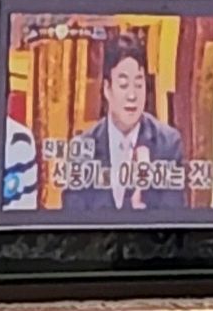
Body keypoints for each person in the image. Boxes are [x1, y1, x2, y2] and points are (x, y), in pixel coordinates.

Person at [66, 37, 188, 212]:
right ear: (107, 89)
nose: (132, 96)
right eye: (123, 85)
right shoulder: (82, 149)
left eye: (138, 85)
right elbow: (73, 217)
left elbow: (173, 214)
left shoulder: (168, 144)